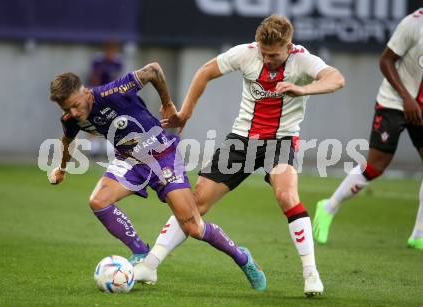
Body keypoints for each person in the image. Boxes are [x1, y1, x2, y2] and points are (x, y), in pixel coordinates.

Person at [134, 15, 345, 297]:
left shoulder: (302, 60)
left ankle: (311, 274)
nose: (268, 59)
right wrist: (185, 112)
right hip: (242, 139)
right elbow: (205, 72)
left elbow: (336, 78)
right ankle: (150, 264)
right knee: (196, 203)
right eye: (264, 53)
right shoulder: (246, 54)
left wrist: (303, 88)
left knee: (286, 196)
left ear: (288, 46)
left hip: (280, 140)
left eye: (274, 55)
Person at [47, 63, 266, 290]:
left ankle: (242, 258)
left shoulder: (112, 92)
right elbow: (67, 141)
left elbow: (153, 70)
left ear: (84, 92)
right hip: (130, 160)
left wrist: (167, 103)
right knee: (98, 201)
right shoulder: (71, 119)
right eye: (66, 109)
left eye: (75, 105)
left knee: (192, 226)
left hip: (162, 155)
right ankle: (141, 252)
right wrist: (61, 169)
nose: (73, 112)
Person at [313, 8, 423, 250]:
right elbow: (385, 60)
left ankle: (419, 233)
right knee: (375, 166)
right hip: (395, 102)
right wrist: (407, 97)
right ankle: (328, 206)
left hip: (421, 105)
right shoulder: (413, 24)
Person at [87, 41, 124, 157]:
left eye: (113, 51)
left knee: (111, 120)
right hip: (97, 93)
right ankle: (94, 150)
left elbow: (116, 80)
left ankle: (111, 149)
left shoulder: (117, 62)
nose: (111, 54)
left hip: (110, 95)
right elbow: (94, 78)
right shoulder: (98, 61)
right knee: (94, 120)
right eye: (109, 51)